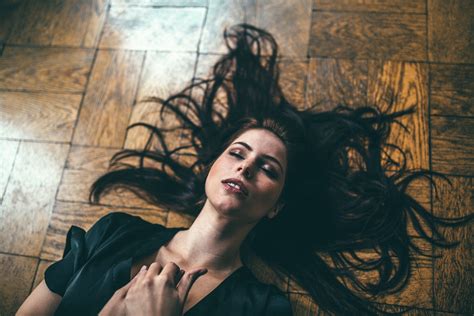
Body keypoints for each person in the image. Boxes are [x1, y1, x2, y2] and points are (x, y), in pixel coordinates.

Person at [17, 24, 472, 316]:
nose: (248, 165)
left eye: (268, 168)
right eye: (238, 153)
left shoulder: (262, 307)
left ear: (277, 207)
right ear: (213, 168)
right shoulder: (114, 231)